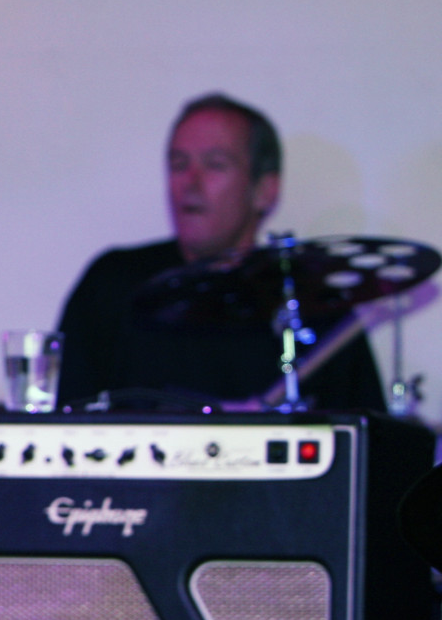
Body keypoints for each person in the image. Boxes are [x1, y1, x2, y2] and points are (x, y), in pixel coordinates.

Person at [57, 93, 383, 410]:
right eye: (179, 164)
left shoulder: (312, 302)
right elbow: (65, 419)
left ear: (264, 190)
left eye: (215, 164)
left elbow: (366, 435)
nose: (190, 182)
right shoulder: (113, 284)